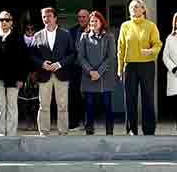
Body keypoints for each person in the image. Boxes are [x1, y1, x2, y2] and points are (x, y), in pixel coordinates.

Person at [118, 0, 163, 136]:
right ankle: (131, 129)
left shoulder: (150, 26)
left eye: (137, 7)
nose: (134, 9)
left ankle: (149, 130)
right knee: (130, 98)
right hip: (129, 66)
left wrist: (150, 51)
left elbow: (158, 44)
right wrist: (120, 68)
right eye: (132, 7)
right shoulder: (125, 26)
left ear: (143, 9)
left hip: (147, 66)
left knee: (148, 98)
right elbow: (121, 48)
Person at [30, 7, 77, 137]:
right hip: (44, 75)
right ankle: (44, 132)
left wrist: (60, 64)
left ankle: (63, 132)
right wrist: (42, 64)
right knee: (43, 105)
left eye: (49, 16)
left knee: (62, 105)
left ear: (55, 18)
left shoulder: (65, 34)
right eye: (44, 17)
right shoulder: (37, 35)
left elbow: (72, 54)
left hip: (61, 74)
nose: (46, 19)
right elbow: (32, 55)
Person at [0, 11, 29, 136]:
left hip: (13, 78)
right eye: (1, 19)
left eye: (7, 20)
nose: (4, 22)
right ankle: (0, 134)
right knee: (0, 106)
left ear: (11, 22)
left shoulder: (18, 37)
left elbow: (24, 60)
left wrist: (21, 78)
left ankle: (11, 134)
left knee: (12, 106)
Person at [77, 10, 117, 135]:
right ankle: (89, 130)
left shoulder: (109, 37)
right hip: (89, 77)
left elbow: (111, 57)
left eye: (96, 21)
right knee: (89, 106)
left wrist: (99, 72)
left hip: (105, 77)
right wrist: (90, 71)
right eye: (92, 21)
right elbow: (81, 57)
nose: (93, 23)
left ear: (101, 22)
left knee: (107, 105)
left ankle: (109, 130)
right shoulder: (84, 36)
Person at [67, 8, 91, 131]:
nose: (81, 19)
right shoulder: (71, 31)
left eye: (84, 17)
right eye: (79, 17)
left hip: (90, 69)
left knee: (89, 96)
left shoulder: (95, 30)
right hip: (75, 68)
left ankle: (88, 122)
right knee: (74, 95)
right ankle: (74, 123)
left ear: (89, 18)